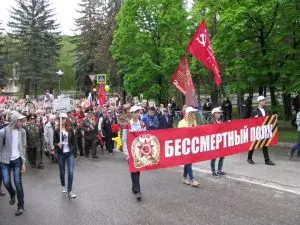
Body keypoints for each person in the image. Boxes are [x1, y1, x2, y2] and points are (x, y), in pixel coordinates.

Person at [0, 111, 27, 216]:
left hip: (17, 160)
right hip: (4, 161)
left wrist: (23, 162)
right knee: (6, 182)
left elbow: (23, 147)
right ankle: (12, 194)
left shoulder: (23, 132)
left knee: (18, 183)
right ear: (15, 121)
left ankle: (21, 206)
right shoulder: (3, 132)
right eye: (20, 120)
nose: (22, 122)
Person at [122, 106, 145, 200]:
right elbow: (124, 139)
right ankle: (138, 190)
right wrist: (126, 152)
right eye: (135, 112)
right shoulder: (127, 125)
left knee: (137, 169)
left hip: (139, 150)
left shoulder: (142, 124)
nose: (137, 114)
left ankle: (134, 187)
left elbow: (145, 136)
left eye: (138, 112)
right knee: (133, 170)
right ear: (131, 113)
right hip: (130, 151)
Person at [54, 113, 77, 198]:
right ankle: (63, 185)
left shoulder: (70, 130)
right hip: (61, 154)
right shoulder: (56, 130)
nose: (62, 120)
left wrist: (74, 153)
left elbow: (74, 143)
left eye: (64, 118)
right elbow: (54, 142)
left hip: (69, 153)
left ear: (66, 119)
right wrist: (57, 144)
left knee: (70, 172)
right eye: (61, 118)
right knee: (62, 172)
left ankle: (70, 190)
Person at [247, 96, 275, 165]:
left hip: (264, 130)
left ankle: (267, 160)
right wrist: (254, 118)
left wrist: (274, 117)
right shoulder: (254, 110)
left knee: (265, 145)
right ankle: (249, 158)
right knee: (253, 144)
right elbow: (250, 120)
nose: (264, 102)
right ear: (259, 102)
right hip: (257, 130)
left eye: (264, 100)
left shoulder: (266, 110)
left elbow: (269, 119)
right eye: (262, 101)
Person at [178, 106, 200, 187]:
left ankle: (184, 177)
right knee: (188, 162)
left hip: (192, 144)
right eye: (192, 113)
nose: (194, 114)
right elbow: (179, 136)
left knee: (188, 162)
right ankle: (192, 179)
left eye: (194, 113)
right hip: (184, 145)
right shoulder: (181, 123)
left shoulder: (194, 121)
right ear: (188, 114)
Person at [210, 107, 226, 177]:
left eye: (220, 113)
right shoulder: (211, 122)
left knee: (222, 156)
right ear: (214, 114)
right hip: (214, 142)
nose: (219, 114)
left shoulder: (221, 121)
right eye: (218, 113)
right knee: (214, 157)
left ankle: (219, 170)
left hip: (221, 141)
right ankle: (213, 171)